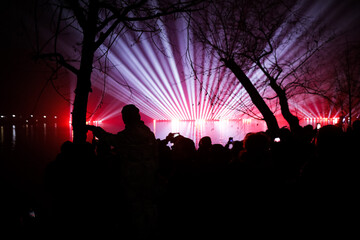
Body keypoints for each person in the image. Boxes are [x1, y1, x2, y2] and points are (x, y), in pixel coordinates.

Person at [87, 104, 159, 239]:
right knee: (148, 206)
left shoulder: (128, 134)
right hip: (149, 175)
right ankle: (151, 232)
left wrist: (97, 132)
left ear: (127, 118)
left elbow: (113, 140)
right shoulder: (147, 132)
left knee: (136, 210)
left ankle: (141, 237)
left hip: (133, 179)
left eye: (124, 116)